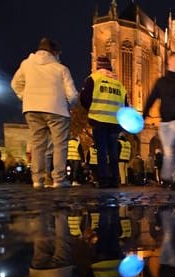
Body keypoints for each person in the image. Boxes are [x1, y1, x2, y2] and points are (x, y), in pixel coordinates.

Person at [11, 37, 78, 189]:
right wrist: (70, 105)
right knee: (60, 144)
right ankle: (59, 179)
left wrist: (25, 97)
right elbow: (72, 94)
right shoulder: (61, 69)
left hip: (32, 109)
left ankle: (37, 180)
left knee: (38, 145)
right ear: (54, 52)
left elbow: (15, 84)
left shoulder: (26, 64)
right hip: (57, 110)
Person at [143, 51, 175, 191]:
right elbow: (151, 98)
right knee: (169, 150)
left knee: (169, 148)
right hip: (164, 121)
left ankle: (167, 175)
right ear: (169, 62)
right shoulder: (162, 82)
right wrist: (144, 114)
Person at [79, 56, 128, 189]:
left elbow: (84, 98)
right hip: (115, 122)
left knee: (101, 150)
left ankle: (104, 179)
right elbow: (126, 105)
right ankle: (114, 179)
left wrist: (92, 108)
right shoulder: (119, 84)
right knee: (113, 150)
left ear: (98, 67)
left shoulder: (94, 78)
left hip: (99, 119)